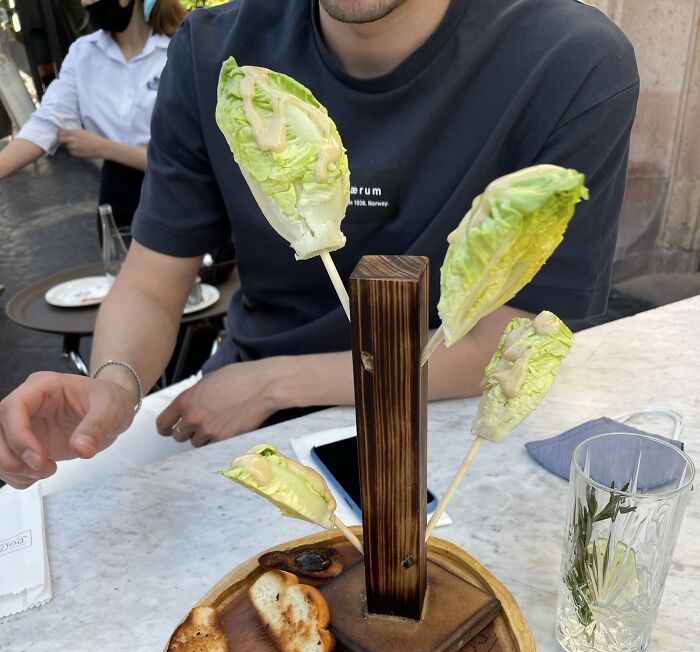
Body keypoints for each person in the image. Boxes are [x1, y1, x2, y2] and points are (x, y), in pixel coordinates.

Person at [0, 0, 639, 490]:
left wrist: (274, 382)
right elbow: (150, 282)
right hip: (245, 424)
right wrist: (114, 386)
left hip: (451, 417)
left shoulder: (569, 61)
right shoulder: (215, 51)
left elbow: (509, 346)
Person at [0, 0, 186, 229]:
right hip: (118, 197)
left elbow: (186, 160)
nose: (86, 2)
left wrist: (104, 148)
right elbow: (48, 121)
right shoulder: (83, 53)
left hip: (178, 197)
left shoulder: (178, 51)